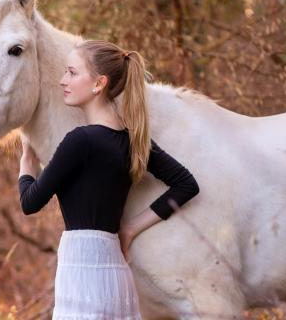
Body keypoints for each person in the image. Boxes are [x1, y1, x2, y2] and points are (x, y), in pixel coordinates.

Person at [18, 40, 200, 319]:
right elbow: (186, 184)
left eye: (72, 72)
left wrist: (27, 164)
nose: (63, 80)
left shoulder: (79, 140)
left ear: (98, 83)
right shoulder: (133, 142)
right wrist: (129, 230)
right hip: (115, 271)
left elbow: (30, 202)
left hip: (81, 269)